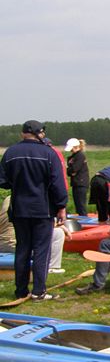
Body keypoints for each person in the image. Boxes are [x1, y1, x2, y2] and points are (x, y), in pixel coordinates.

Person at [0, 120, 68, 301]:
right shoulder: (49, 153)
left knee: (22, 249)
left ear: (23, 133)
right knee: (41, 250)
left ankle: (21, 290)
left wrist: (18, 182)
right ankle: (39, 291)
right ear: (40, 133)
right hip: (42, 210)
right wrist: (61, 206)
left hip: (19, 209)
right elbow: (58, 184)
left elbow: (2, 181)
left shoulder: (10, 153)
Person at [0, 196, 71, 275]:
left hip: (2, 244)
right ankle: (51, 267)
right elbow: (40, 224)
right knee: (58, 232)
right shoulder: (34, 201)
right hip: (18, 246)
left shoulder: (9, 199)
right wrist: (58, 225)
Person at [65, 138, 90, 216]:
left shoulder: (80, 156)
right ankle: (81, 218)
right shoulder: (72, 157)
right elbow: (70, 172)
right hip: (75, 183)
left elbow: (74, 169)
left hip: (81, 183)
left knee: (81, 205)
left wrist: (69, 170)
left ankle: (84, 219)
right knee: (78, 205)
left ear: (75, 147)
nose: (70, 150)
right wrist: (70, 171)